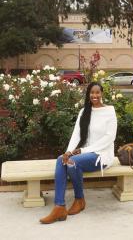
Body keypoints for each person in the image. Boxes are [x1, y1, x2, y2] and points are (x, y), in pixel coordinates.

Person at [40, 82, 117, 224]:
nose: (95, 95)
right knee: (61, 160)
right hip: (85, 153)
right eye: (92, 93)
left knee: (73, 162)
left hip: (101, 155)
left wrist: (82, 150)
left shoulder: (109, 112)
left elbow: (109, 138)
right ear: (88, 94)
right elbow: (76, 134)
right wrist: (68, 152)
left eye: (97, 92)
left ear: (102, 94)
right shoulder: (84, 112)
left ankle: (79, 199)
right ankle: (59, 207)